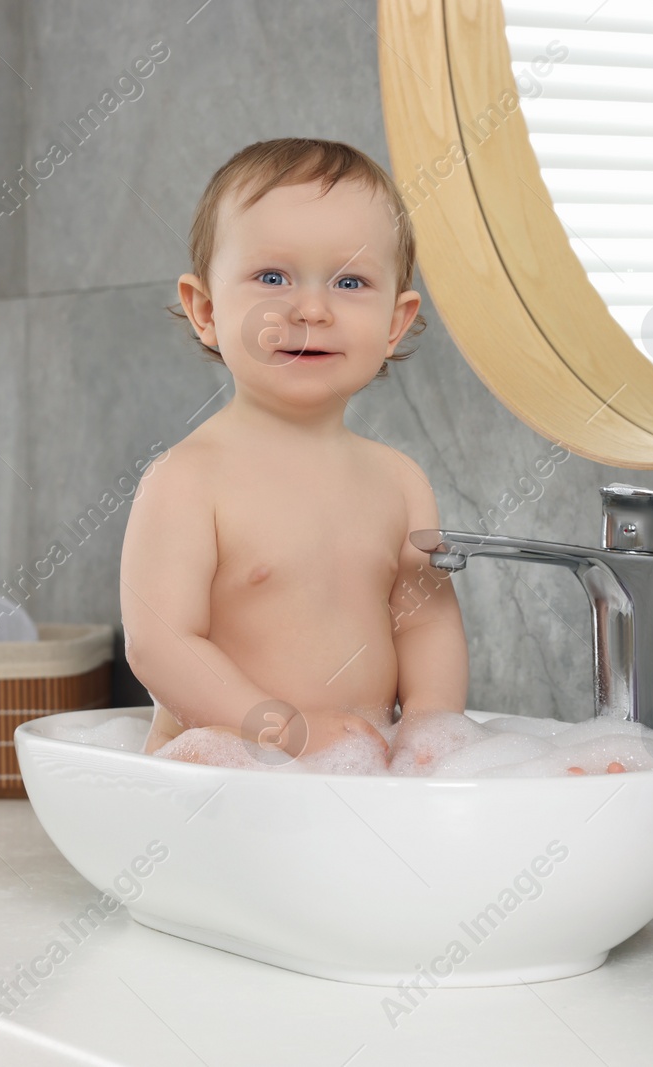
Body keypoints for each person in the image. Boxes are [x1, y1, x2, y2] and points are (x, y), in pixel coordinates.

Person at [120, 138, 469, 763]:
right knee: (205, 761)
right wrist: (282, 731)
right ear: (204, 310)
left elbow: (424, 624)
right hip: (229, 758)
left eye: (351, 280)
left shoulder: (399, 481)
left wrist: (429, 732)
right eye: (272, 277)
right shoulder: (189, 479)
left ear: (395, 321)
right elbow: (161, 643)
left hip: (356, 762)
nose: (311, 308)